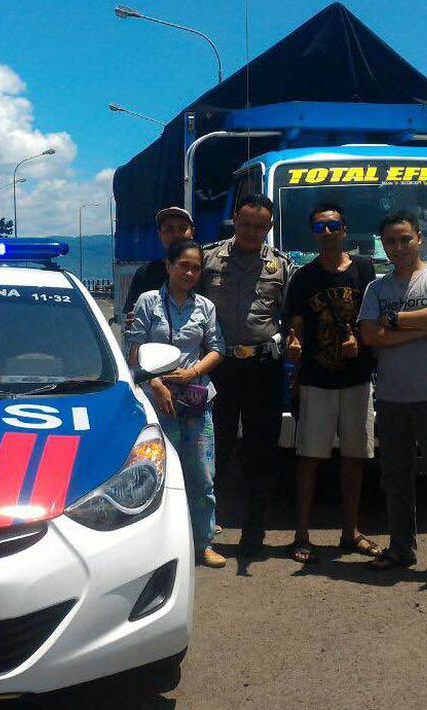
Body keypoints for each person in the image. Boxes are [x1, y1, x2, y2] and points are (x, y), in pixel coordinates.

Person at [357, 210, 427, 590]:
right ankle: (401, 549)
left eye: (406, 239)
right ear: (383, 246)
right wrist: (418, 328)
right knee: (396, 480)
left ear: (419, 238)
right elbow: (370, 335)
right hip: (391, 398)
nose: (399, 247)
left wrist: (396, 322)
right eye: (391, 241)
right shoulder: (377, 288)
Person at [283, 203, 380, 564]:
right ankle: (302, 533)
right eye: (320, 227)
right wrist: (293, 343)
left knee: (355, 458)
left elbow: (373, 317)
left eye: (333, 225)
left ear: (345, 229)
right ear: (313, 233)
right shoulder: (304, 277)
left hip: (357, 380)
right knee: (309, 458)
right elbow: (295, 324)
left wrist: (360, 339)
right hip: (316, 379)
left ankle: (350, 531)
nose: (327, 232)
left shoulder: (365, 270)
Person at [199, 193, 293, 556]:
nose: (252, 232)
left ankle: (255, 529)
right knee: (215, 447)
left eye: (260, 226)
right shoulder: (208, 259)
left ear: (269, 227)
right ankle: (207, 526)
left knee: (261, 450)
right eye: (245, 224)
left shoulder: (281, 267)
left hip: (261, 368)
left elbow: (289, 318)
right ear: (234, 220)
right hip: (219, 367)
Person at [126, 239, 226, 568]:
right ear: (168, 265)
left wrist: (194, 371)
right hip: (159, 400)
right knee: (156, 475)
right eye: (183, 264)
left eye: (196, 267)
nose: (189, 272)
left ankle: (203, 543)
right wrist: (156, 384)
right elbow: (133, 350)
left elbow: (217, 348)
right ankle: (157, 547)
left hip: (197, 400)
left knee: (201, 474)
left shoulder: (205, 307)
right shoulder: (147, 302)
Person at [121, 207, 195, 321]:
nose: (176, 234)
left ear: (192, 232)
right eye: (168, 229)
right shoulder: (145, 273)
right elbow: (132, 319)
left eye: (182, 228)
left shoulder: (206, 271)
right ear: (159, 234)